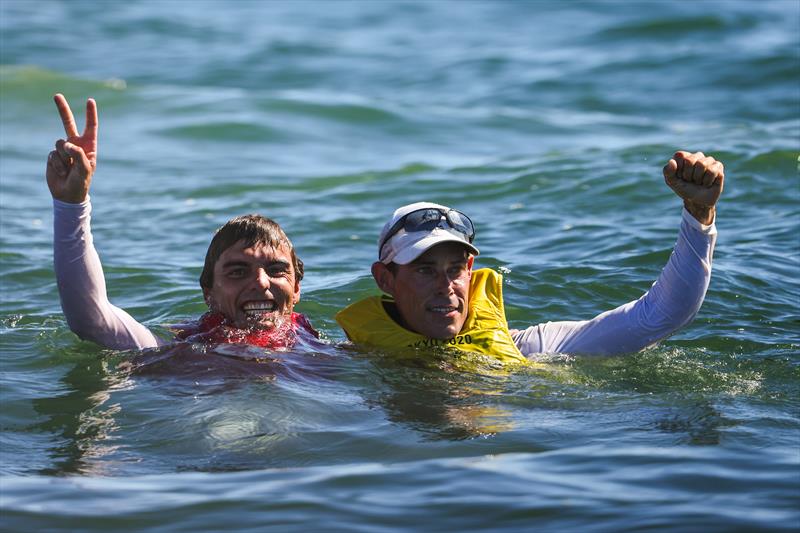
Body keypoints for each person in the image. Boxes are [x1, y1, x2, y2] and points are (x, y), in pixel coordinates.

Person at [336, 152, 724, 361]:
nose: (446, 287)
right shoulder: (349, 361)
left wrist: (698, 216)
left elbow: (661, 315)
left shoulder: (532, 349)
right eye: (425, 270)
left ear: (470, 269)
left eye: (455, 269)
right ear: (385, 279)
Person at [47, 94, 317, 351]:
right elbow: (92, 321)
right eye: (238, 271)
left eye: (276, 270)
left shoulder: (325, 351)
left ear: (296, 288)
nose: (261, 282)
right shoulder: (184, 351)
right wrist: (72, 205)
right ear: (208, 293)